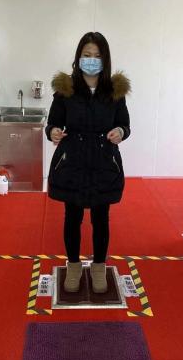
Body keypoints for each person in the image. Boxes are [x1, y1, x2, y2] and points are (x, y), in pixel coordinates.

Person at [45, 32, 131, 293]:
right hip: (73, 162)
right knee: (72, 217)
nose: (91, 60)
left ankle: (98, 267)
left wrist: (121, 132)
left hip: (104, 162)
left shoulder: (114, 92)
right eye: (87, 55)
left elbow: (125, 124)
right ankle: (73, 266)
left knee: (101, 218)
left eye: (96, 56)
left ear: (105, 59)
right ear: (78, 57)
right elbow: (53, 123)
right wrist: (53, 132)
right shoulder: (66, 90)